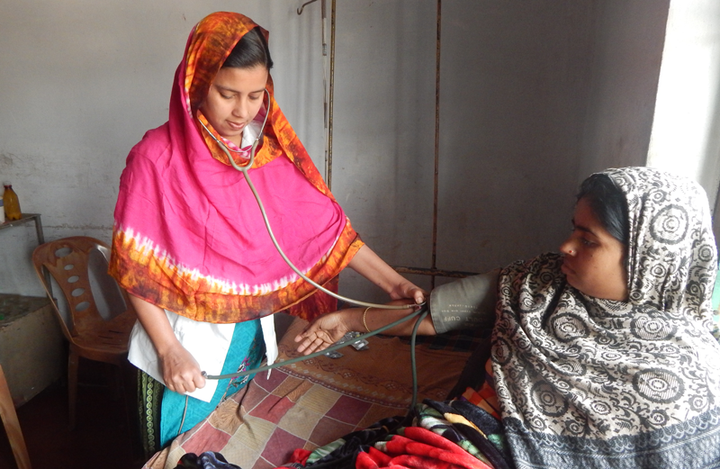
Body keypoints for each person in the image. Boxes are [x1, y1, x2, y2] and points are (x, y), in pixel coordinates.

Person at [109, 12, 424, 455]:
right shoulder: (154, 158)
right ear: (196, 82)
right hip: (182, 345)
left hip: (247, 336)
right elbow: (133, 269)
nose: (243, 111)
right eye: (227, 94)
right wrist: (168, 350)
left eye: (256, 95)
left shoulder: (266, 154)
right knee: (181, 451)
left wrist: (395, 284)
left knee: (227, 441)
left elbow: (328, 233)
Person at [294, 166, 720, 468]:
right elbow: (434, 315)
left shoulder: (689, 370)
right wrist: (348, 320)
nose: (566, 246)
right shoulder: (536, 281)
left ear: (649, 260)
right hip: (480, 440)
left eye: (588, 240)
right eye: (574, 228)